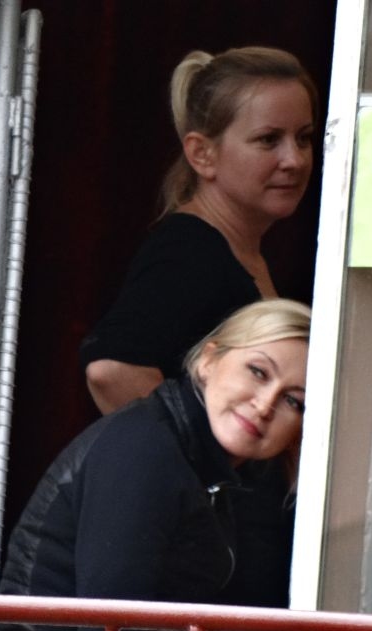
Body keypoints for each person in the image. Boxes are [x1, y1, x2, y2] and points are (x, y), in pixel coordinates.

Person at [0, 299, 311, 631]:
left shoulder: (202, 466)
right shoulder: (145, 453)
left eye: (294, 401)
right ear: (208, 361)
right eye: (257, 371)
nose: (264, 404)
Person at [80, 46, 317, 415]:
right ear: (202, 154)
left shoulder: (233, 249)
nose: (295, 159)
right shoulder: (189, 252)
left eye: (304, 138)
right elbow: (112, 370)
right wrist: (196, 450)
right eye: (268, 139)